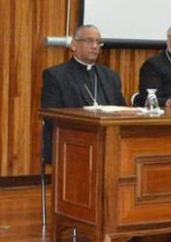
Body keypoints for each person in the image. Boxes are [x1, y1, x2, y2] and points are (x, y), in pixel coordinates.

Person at [41, 24, 126, 163]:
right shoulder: (56, 76)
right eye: (89, 41)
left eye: (98, 42)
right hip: (73, 141)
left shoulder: (111, 76)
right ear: (74, 45)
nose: (95, 46)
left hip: (110, 141)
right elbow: (51, 117)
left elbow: (123, 110)